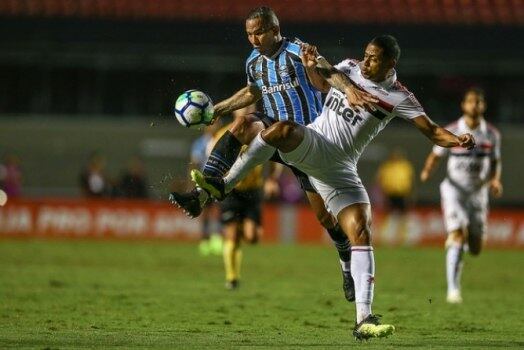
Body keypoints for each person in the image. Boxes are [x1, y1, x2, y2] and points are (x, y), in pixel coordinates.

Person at [192, 35, 476, 340]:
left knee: (360, 230)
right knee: (281, 130)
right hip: (316, 142)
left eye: (374, 58)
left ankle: (363, 319)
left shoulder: (399, 96)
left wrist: (457, 140)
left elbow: (432, 131)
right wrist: (311, 65)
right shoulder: (350, 68)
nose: (366, 61)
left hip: (341, 167)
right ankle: (223, 184)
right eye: (366, 54)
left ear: (391, 63)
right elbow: (321, 84)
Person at [170, 6, 375, 302]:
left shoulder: (297, 50)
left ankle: (345, 263)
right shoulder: (253, 61)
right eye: (248, 34)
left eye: (258, 32)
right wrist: (219, 109)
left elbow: (327, 71)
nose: (253, 39)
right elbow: (253, 93)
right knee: (241, 124)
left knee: (325, 218)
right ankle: (205, 190)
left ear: (275, 30)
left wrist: (350, 90)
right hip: (271, 132)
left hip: (307, 140)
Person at [420, 88, 502, 304]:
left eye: (479, 102)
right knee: (456, 234)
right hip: (454, 190)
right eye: (471, 101)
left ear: (483, 106)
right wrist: (427, 171)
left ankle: (459, 249)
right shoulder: (453, 130)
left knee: (475, 248)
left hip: (478, 193)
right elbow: (436, 154)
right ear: (463, 105)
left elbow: (495, 162)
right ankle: (453, 290)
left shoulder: (492, 134)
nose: (474, 105)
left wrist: (494, 180)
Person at [211, 120, 265, 290]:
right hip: (231, 191)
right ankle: (232, 278)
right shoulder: (222, 135)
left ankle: (236, 230)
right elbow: (213, 161)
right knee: (232, 236)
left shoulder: (261, 130)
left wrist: (271, 179)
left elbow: (272, 157)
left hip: (252, 191)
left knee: (252, 237)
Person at [189, 122, 223, 256]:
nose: (215, 126)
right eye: (212, 124)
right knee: (205, 211)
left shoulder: (220, 140)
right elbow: (194, 163)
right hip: (203, 182)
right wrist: (192, 182)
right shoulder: (200, 143)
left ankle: (217, 238)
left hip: (219, 181)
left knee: (220, 210)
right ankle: (204, 239)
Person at [376, 148, 414, 213]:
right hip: (388, 194)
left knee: (403, 213)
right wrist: (381, 192)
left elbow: (410, 180)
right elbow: (379, 179)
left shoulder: (405, 166)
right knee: (388, 212)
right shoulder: (386, 166)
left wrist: (410, 193)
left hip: (402, 194)